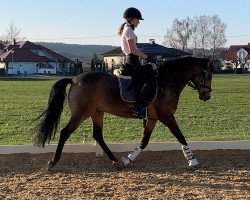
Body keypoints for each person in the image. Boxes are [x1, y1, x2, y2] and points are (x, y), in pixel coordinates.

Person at [117, 7, 157, 119]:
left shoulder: (127, 29)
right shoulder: (128, 31)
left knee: (150, 70)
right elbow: (133, 50)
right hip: (132, 63)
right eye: (137, 19)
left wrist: (146, 57)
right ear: (131, 19)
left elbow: (135, 49)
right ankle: (139, 107)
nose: (139, 22)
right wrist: (148, 57)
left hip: (133, 61)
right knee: (150, 80)